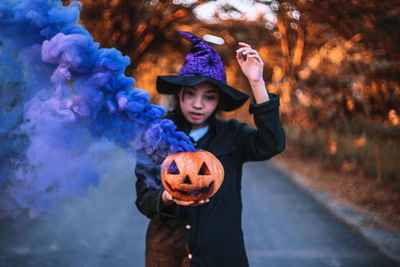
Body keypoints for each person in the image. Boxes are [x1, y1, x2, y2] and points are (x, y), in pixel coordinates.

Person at [135, 31, 285, 267]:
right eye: (191, 94)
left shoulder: (234, 134)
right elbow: (144, 200)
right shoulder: (157, 136)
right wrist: (169, 195)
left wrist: (257, 82)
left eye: (209, 97)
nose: (198, 104)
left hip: (222, 255)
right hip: (167, 255)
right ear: (179, 96)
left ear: (218, 103)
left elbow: (272, 144)